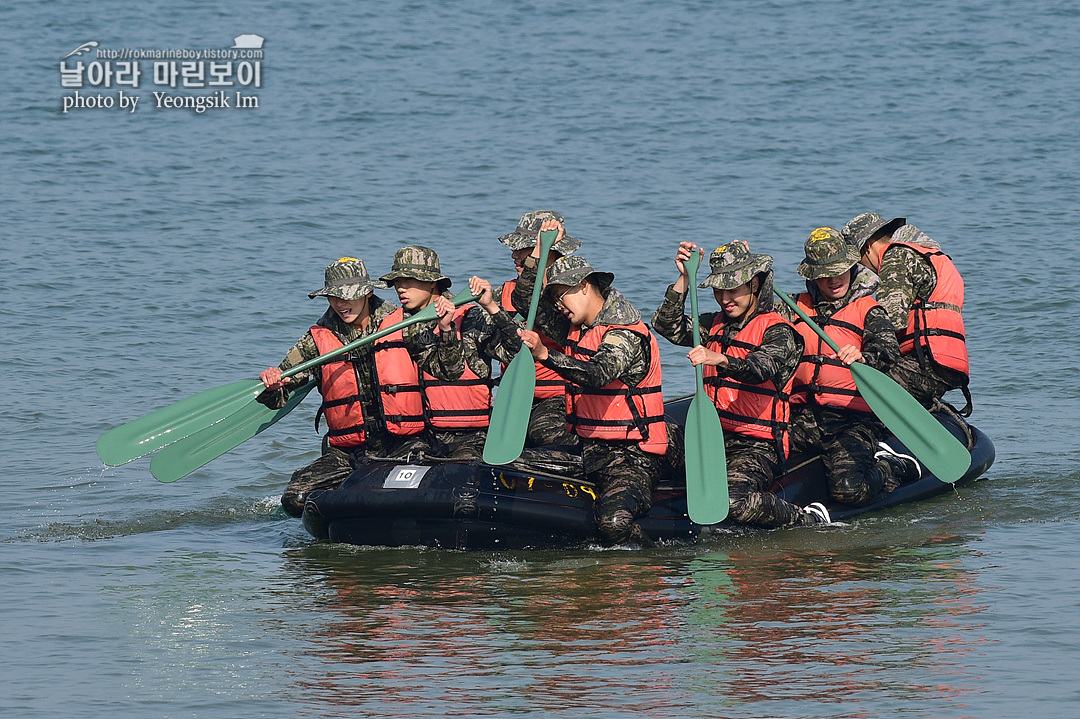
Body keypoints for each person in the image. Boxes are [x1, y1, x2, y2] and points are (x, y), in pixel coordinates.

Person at [652, 240, 828, 527]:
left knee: (733, 503)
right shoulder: (713, 324)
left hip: (756, 446)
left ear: (754, 285)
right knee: (650, 433)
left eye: (733, 289)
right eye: (719, 291)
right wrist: (684, 278)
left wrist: (718, 359)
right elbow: (665, 325)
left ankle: (804, 518)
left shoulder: (779, 332)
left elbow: (759, 369)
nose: (724, 298)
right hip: (712, 436)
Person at [257, 257, 435, 517]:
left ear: (368, 292)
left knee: (398, 493)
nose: (341, 304)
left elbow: (443, 370)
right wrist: (272, 385)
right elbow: (282, 393)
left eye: (348, 296)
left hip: (404, 441)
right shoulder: (317, 339)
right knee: (295, 499)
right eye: (333, 297)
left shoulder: (404, 323)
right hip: (347, 450)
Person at [516, 242, 668, 546]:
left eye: (561, 295)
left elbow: (597, 375)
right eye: (553, 298)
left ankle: (653, 551)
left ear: (584, 286)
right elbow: (523, 300)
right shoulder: (576, 325)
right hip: (590, 450)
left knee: (613, 524)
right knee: (509, 467)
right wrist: (538, 252)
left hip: (631, 457)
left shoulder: (623, 334)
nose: (557, 305)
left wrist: (545, 355)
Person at [779, 227, 916, 507]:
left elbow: (888, 352)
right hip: (805, 414)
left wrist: (864, 357)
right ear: (812, 276)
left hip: (852, 420)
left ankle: (892, 465)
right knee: (762, 451)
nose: (833, 280)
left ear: (852, 267)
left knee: (851, 492)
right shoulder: (792, 307)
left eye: (840, 270)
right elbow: (749, 304)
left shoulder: (869, 310)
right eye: (824, 274)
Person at [377, 245, 497, 461]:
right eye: (396, 282)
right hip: (420, 439)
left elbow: (452, 371)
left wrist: (447, 330)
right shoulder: (393, 323)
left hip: (470, 437)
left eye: (408, 280)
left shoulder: (470, 318)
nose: (400, 288)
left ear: (432, 281)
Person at [843, 212, 971, 414]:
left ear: (866, 247)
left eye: (858, 261)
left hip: (923, 362)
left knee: (852, 400)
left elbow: (891, 322)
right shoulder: (930, 255)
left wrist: (859, 350)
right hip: (949, 362)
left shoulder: (895, 257)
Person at [493, 210, 582, 448]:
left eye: (524, 249)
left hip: (559, 397)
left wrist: (539, 253)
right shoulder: (501, 293)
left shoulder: (573, 295)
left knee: (543, 433)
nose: (514, 255)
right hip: (515, 396)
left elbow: (528, 299)